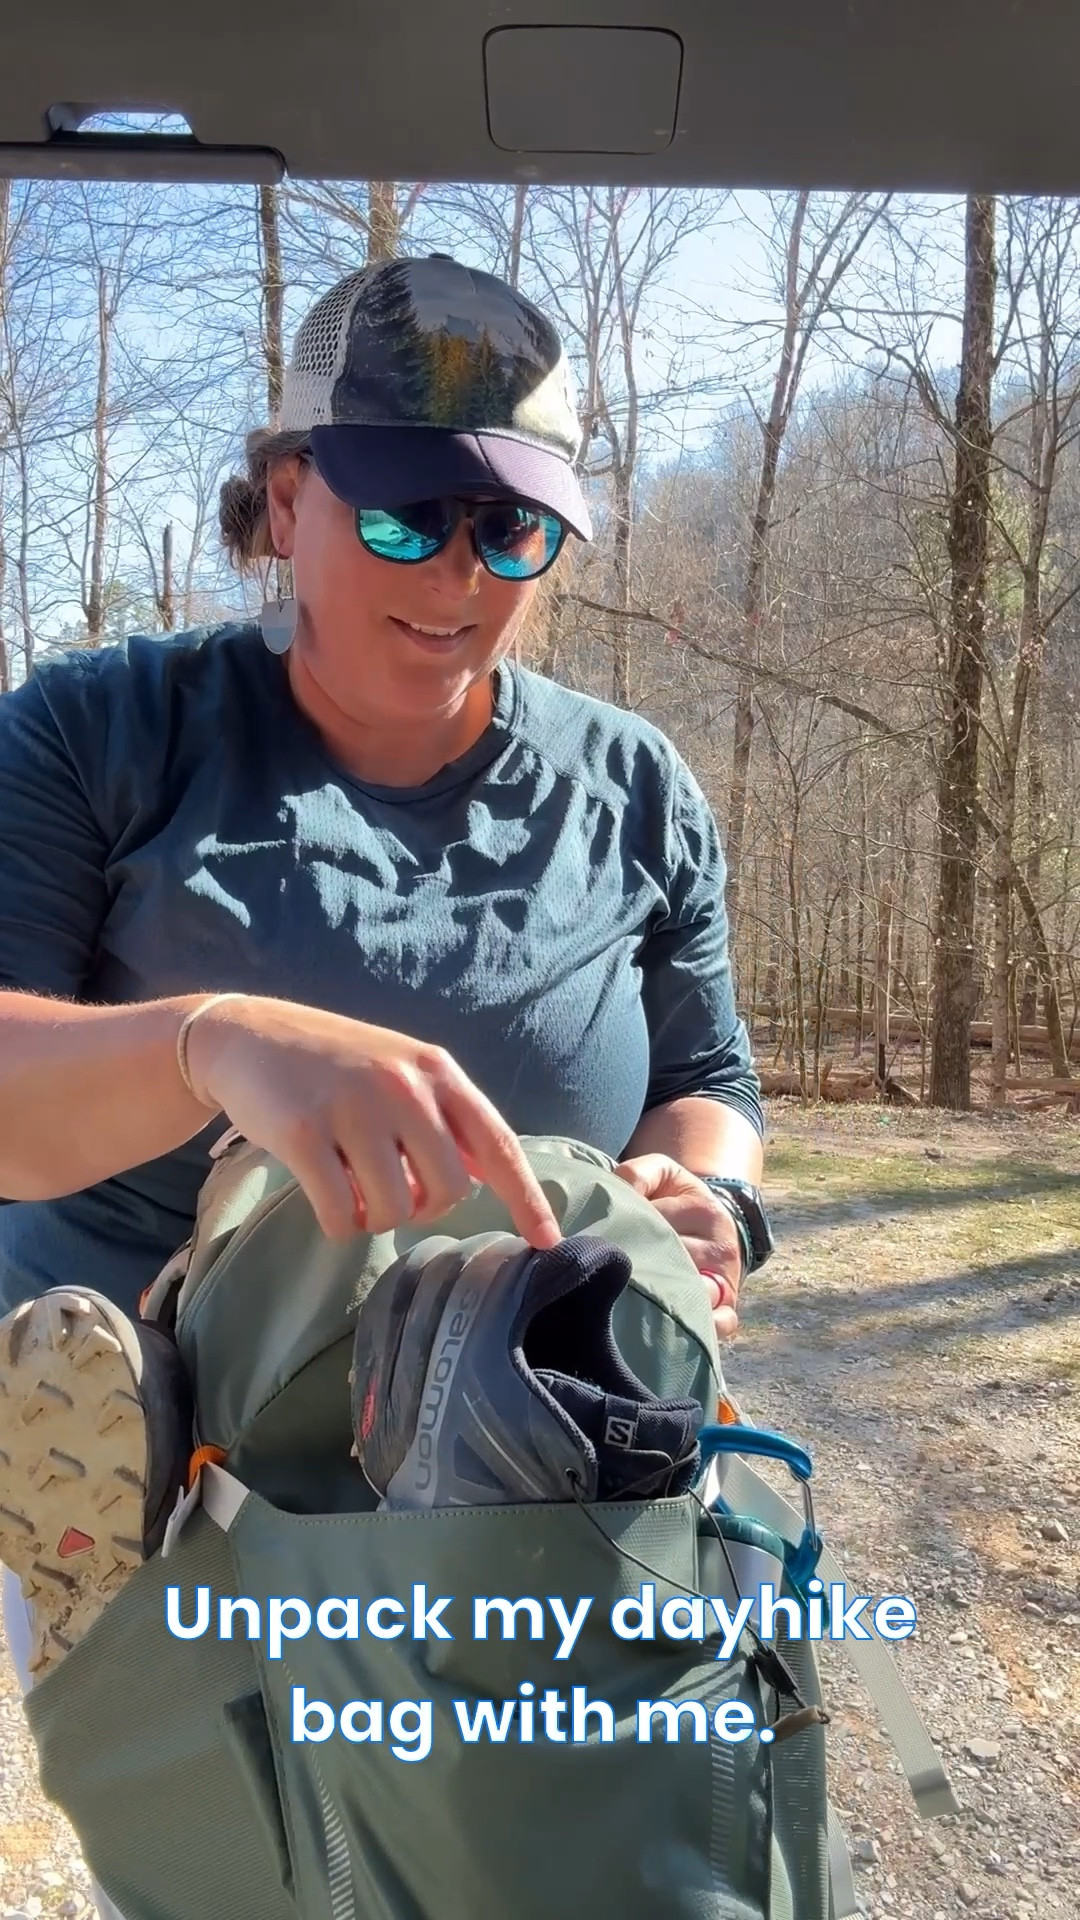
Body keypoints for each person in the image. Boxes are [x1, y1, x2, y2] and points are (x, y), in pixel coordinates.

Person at [0, 252, 768, 1915]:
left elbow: (709, 1078)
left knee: (533, 1851)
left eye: (515, 531)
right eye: (409, 519)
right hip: (199, 1440)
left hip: (530, 1430)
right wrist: (210, 1039)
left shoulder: (633, 788)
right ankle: (129, 1554)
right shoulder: (98, 736)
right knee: (250, 1861)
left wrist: (712, 1190)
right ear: (284, 504)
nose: (465, 576)